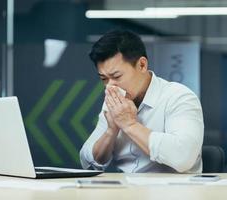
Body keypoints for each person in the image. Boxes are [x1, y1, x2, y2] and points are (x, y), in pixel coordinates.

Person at [79, 30, 204, 173]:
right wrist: (110, 131)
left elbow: (184, 158)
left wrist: (130, 125)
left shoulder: (179, 97)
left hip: (171, 192)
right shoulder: (114, 102)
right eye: (103, 79)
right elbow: (87, 161)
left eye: (117, 76)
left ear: (142, 65)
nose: (110, 86)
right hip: (125, 191)